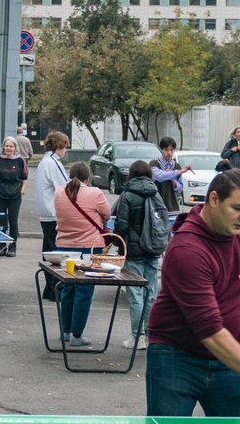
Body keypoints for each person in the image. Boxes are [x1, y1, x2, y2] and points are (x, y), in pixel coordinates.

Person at [144, 171, 240, 416]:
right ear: (214, 199)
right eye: (238, 208)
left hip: (228, 357)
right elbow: (210, 330)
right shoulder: (186, 249)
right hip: (175, 356)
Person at [51, 162, 112, 348]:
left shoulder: (59, 192)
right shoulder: (95, 193)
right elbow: (107, 214)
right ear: (88, 178)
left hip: (64, 247)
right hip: (88, 248)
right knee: (84, 292)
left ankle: (66, 331)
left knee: (68, 288)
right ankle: (77, 334)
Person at [109, 159, 169, 340]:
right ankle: (151, 334)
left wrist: (118, 244)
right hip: (152, 249)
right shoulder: (155, 194)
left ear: (131, 175)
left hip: (133, 252)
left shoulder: (127, 195)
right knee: (151, 293)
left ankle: (137, 336)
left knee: (135, 295)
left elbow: (122, 225)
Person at [32, 131, 71, 252]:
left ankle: (46, 270)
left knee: (48, 245)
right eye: (65, 146)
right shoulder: (54, 163)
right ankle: (51, 271)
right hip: (53, 212)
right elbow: (65, 187)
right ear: (59, 146)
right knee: (56, 248)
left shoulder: (44, 161)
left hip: (44, 211)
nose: (65, 150)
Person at [0, 138, 29, 257]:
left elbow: (25, 177)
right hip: (0, 193)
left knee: (13, 221)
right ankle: (2, 247)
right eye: (6, 146)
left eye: (11, 146)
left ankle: (12, 247)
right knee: (2, 221)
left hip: (15, 194)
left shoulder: (20, 160)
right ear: (3, 147)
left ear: (15, 148)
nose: (8, 148)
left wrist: (22, 191)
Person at [151, 137, 188, 215]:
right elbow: (160, 176)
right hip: (156, 206)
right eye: (166, 150)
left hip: (173, 207)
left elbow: (179, 189)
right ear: (161, 150)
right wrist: (177, 172)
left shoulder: (176, 166)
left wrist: (173, 181)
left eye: (171, 150)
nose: (169, 153)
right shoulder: (154, 164)